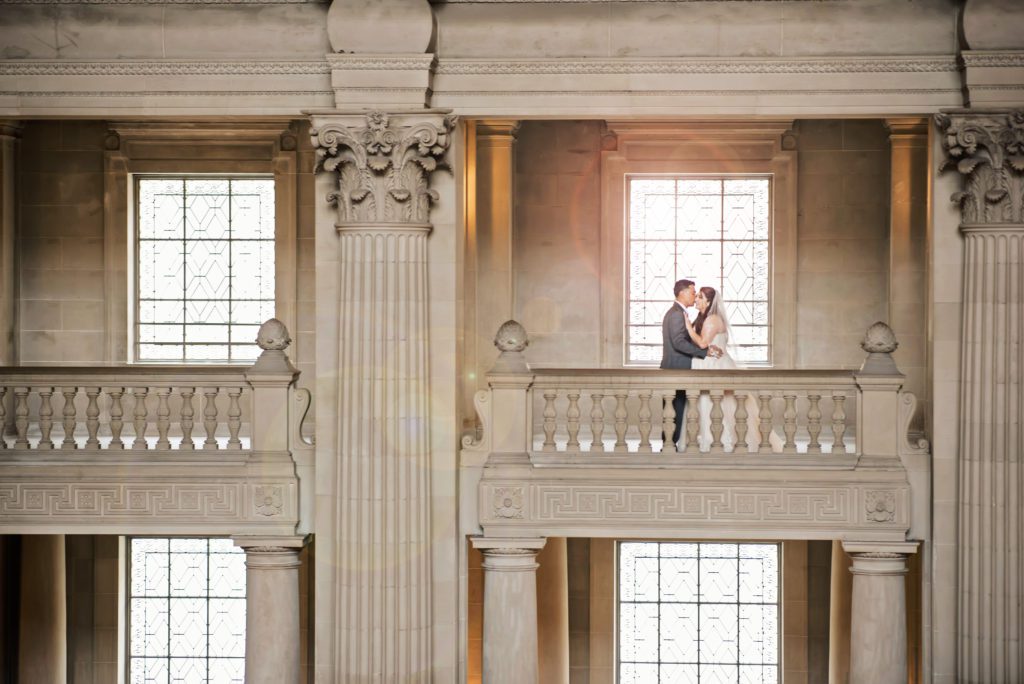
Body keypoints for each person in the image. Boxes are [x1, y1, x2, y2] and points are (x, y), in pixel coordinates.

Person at [684, 286, 783, 452]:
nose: (696, 299)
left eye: (700, 297)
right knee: (707, 403)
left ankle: (721, 440)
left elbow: (702, 343)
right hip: (706, 363)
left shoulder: (713, 319)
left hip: (715, 365)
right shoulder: (703, 318)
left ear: (708, 301)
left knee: (720, 403)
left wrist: (688, 327)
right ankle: (707, 439)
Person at [660, 279, 722, 447]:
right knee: (675, 410)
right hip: (676, 369)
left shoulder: (679, 313)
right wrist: (704, 352)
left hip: (678, 368)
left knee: (676, 410)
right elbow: (678, 342)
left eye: (697, 294)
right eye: (693, 292)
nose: (695, 297)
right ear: (683, 292)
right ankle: (668, 446)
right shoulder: (676, 314)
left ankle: (670, 444)